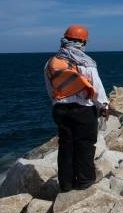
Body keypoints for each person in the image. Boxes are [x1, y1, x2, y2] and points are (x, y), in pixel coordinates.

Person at [44, 25, 109, 192]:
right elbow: (97, 88)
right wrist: (104, 106)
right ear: (82, 41)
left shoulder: (51, 63)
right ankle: (85, 181)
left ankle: (65, 184)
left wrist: (58, 103)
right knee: (85, 144)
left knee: (66, 146)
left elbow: (51, 90)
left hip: (60, 111)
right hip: (83, 111)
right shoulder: (85, 62)